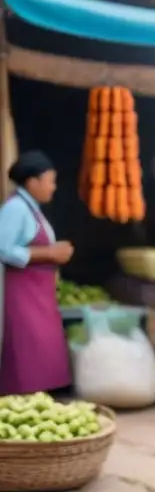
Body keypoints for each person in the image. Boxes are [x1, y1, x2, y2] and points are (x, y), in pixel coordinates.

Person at [0, 151, 73, 395]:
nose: (53, 187)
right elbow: (3, 248)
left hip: (39, 293)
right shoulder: (16, 209)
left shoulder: (32, 209)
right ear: (33, 182)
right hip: (22, 295)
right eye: (50, 180)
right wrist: (49, 254)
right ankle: (22, 399)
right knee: (27, 348)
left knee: (42, 348)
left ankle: (40, 398)